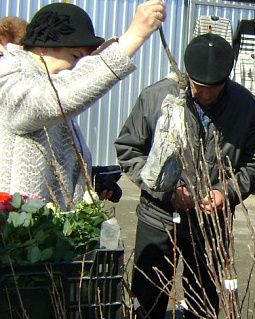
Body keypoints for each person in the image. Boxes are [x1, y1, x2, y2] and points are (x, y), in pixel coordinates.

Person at [115, 33, 255, 319]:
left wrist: (226, 193)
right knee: (149, 295)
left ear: (226, 79)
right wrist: (165, 189)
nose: (203, 93)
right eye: (197, 85)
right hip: (158, 217)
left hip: (211, 222)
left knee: (204, 300)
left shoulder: (245, 107)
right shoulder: (157, 97)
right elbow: (128, 149)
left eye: (213, 87)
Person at [0, 2, 165, 210]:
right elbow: (56, 98)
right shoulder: (9, 76)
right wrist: (134, 36)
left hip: (48, 232)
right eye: (75, 57)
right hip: (21, 236)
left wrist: (91, 182)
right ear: (43, 47)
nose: (76, 68)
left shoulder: (46, 81)